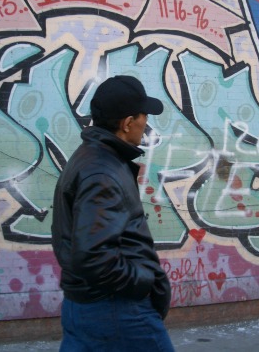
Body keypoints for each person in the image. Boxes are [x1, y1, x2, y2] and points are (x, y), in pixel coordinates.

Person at [51, 75, 174, 351]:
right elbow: (93, 257)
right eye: (144, 116)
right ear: (128, 122)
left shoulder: (92, 157)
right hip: (117, 310)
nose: (146, 123)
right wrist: (145, 280)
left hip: (86, 305)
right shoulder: (103, 172)